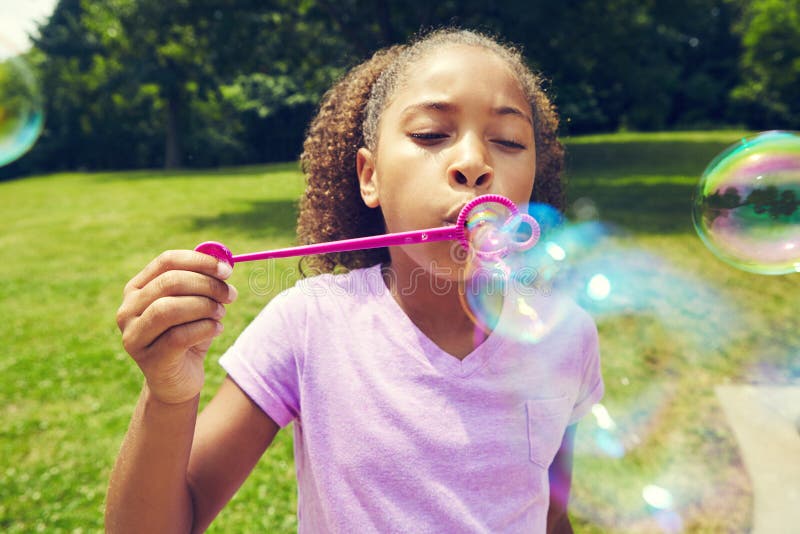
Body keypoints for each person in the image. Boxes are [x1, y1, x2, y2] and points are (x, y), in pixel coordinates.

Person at [106, 28, 603, 533]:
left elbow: (550, 513)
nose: (474, 164)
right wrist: (168, 395)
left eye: (508, 141)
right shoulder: (310, 325)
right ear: (371, 177)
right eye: (431, 134)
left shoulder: (566, 335)